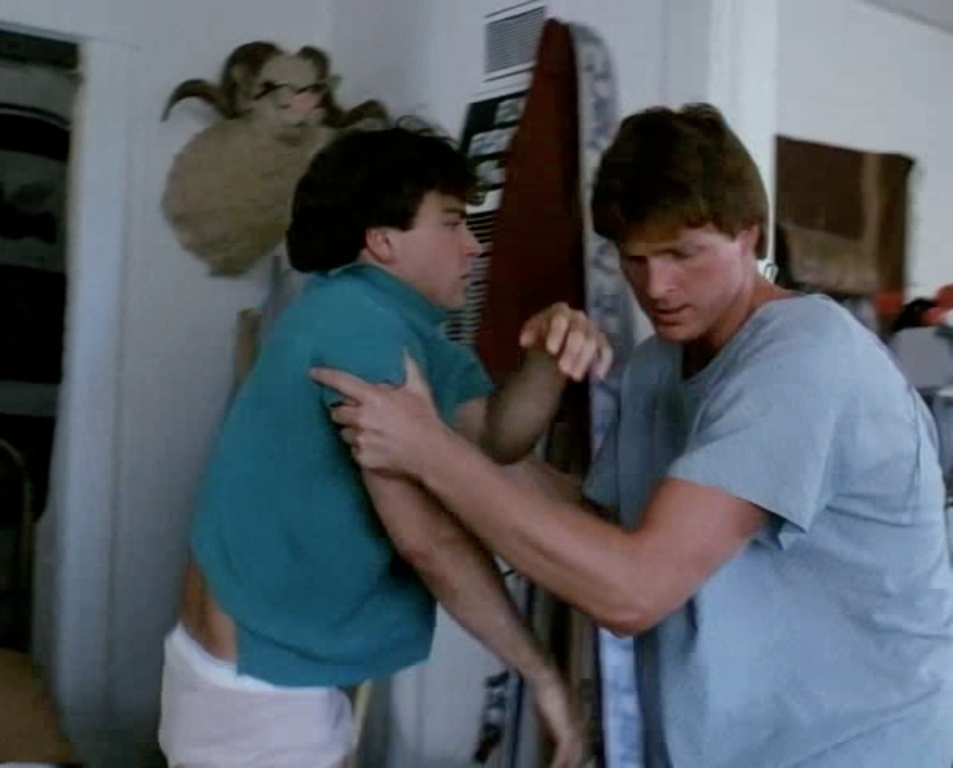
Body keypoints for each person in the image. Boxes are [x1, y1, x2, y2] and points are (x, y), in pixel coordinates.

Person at [312, 104, 953, 767]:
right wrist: (481, 413)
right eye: (635, 257)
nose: (657, 287)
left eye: (683, 254)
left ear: (749, 237)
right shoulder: (658, 363)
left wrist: (436, 455)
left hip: (863, 749)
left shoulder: (804, 360)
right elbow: (599, 532)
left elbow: (632, 590)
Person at [158, 123, 611, 768]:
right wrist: (542, 676)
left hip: (256, 666)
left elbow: (493, 437)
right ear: (382, 240)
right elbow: (429, 541)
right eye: (452, 223)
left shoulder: (398, 327)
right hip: (259, 686)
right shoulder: (358, 327)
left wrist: (548, 358)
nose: (472, 245)